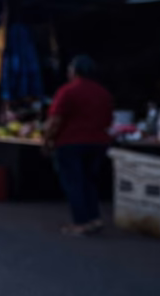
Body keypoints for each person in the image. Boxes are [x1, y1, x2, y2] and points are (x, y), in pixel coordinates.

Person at [44, 55, 114, 236]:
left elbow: (55, 120)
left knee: (74, 183)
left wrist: (47, 140)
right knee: (89, 182)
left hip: (70, 143)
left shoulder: (68, 91)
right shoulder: (103, 92)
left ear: (74, 72)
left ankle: (81, 222)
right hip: (98, 143)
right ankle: (94, 218)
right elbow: (108, 120)